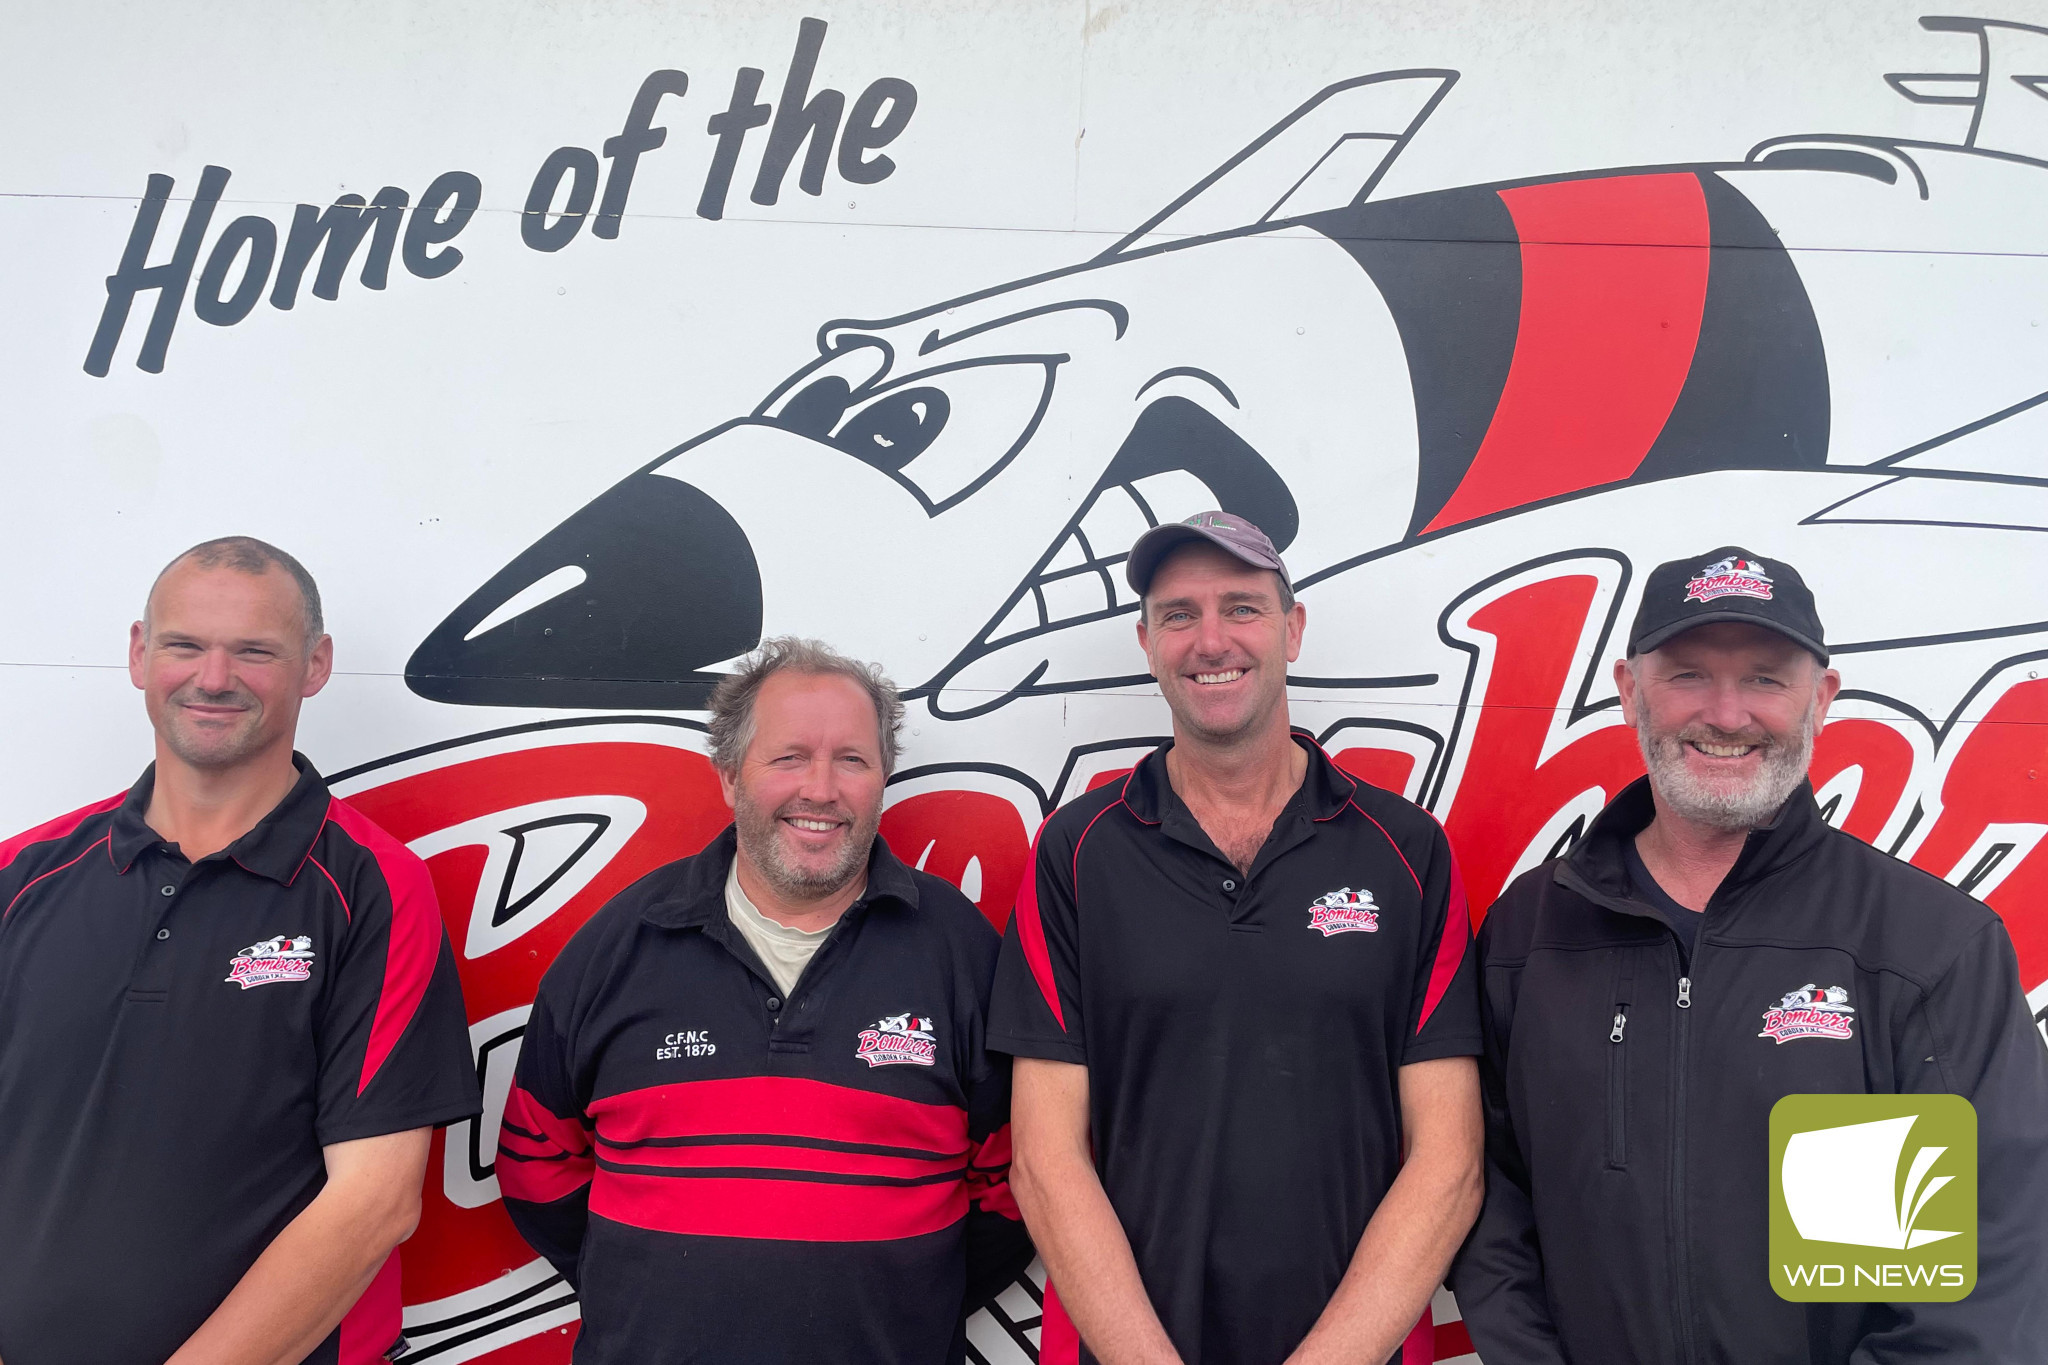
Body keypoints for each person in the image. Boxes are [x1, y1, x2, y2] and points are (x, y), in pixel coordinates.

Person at [1451, 546, 2048, 1363]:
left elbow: (1988, 1274)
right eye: (1688, 674)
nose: (1727, 714)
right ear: (1631, 691)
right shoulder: (1531, 935)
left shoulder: (1925, 947)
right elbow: (1493, 1208)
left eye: (1766, 677)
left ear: (1821, 697)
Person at [990, 510, 1485, 1365]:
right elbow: (1044, 1158)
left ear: (1292, 629)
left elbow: (1450, 1163)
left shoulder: (1405, 851)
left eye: (1242, 607)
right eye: (1179, 613)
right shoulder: (1076, 854)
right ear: (1146, 640)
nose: (1210, 638)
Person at [0, 537, 481, 1365]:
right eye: (185, 644)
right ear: (140, 653)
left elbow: (374, 1201)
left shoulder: (372, 888)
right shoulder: (21, 874)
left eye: (254, 651)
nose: (214, 678)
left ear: (315, 665)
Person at [498, 637, 1032, 1364]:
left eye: (852, 758)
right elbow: (535, 1157)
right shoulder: (621, 943)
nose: (821, 787)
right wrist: (643, 1287)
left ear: (883, 777)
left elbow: (1015, 1182)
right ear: (729, 775)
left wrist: (903, 1296)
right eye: (789, 757)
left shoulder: (959, 952)